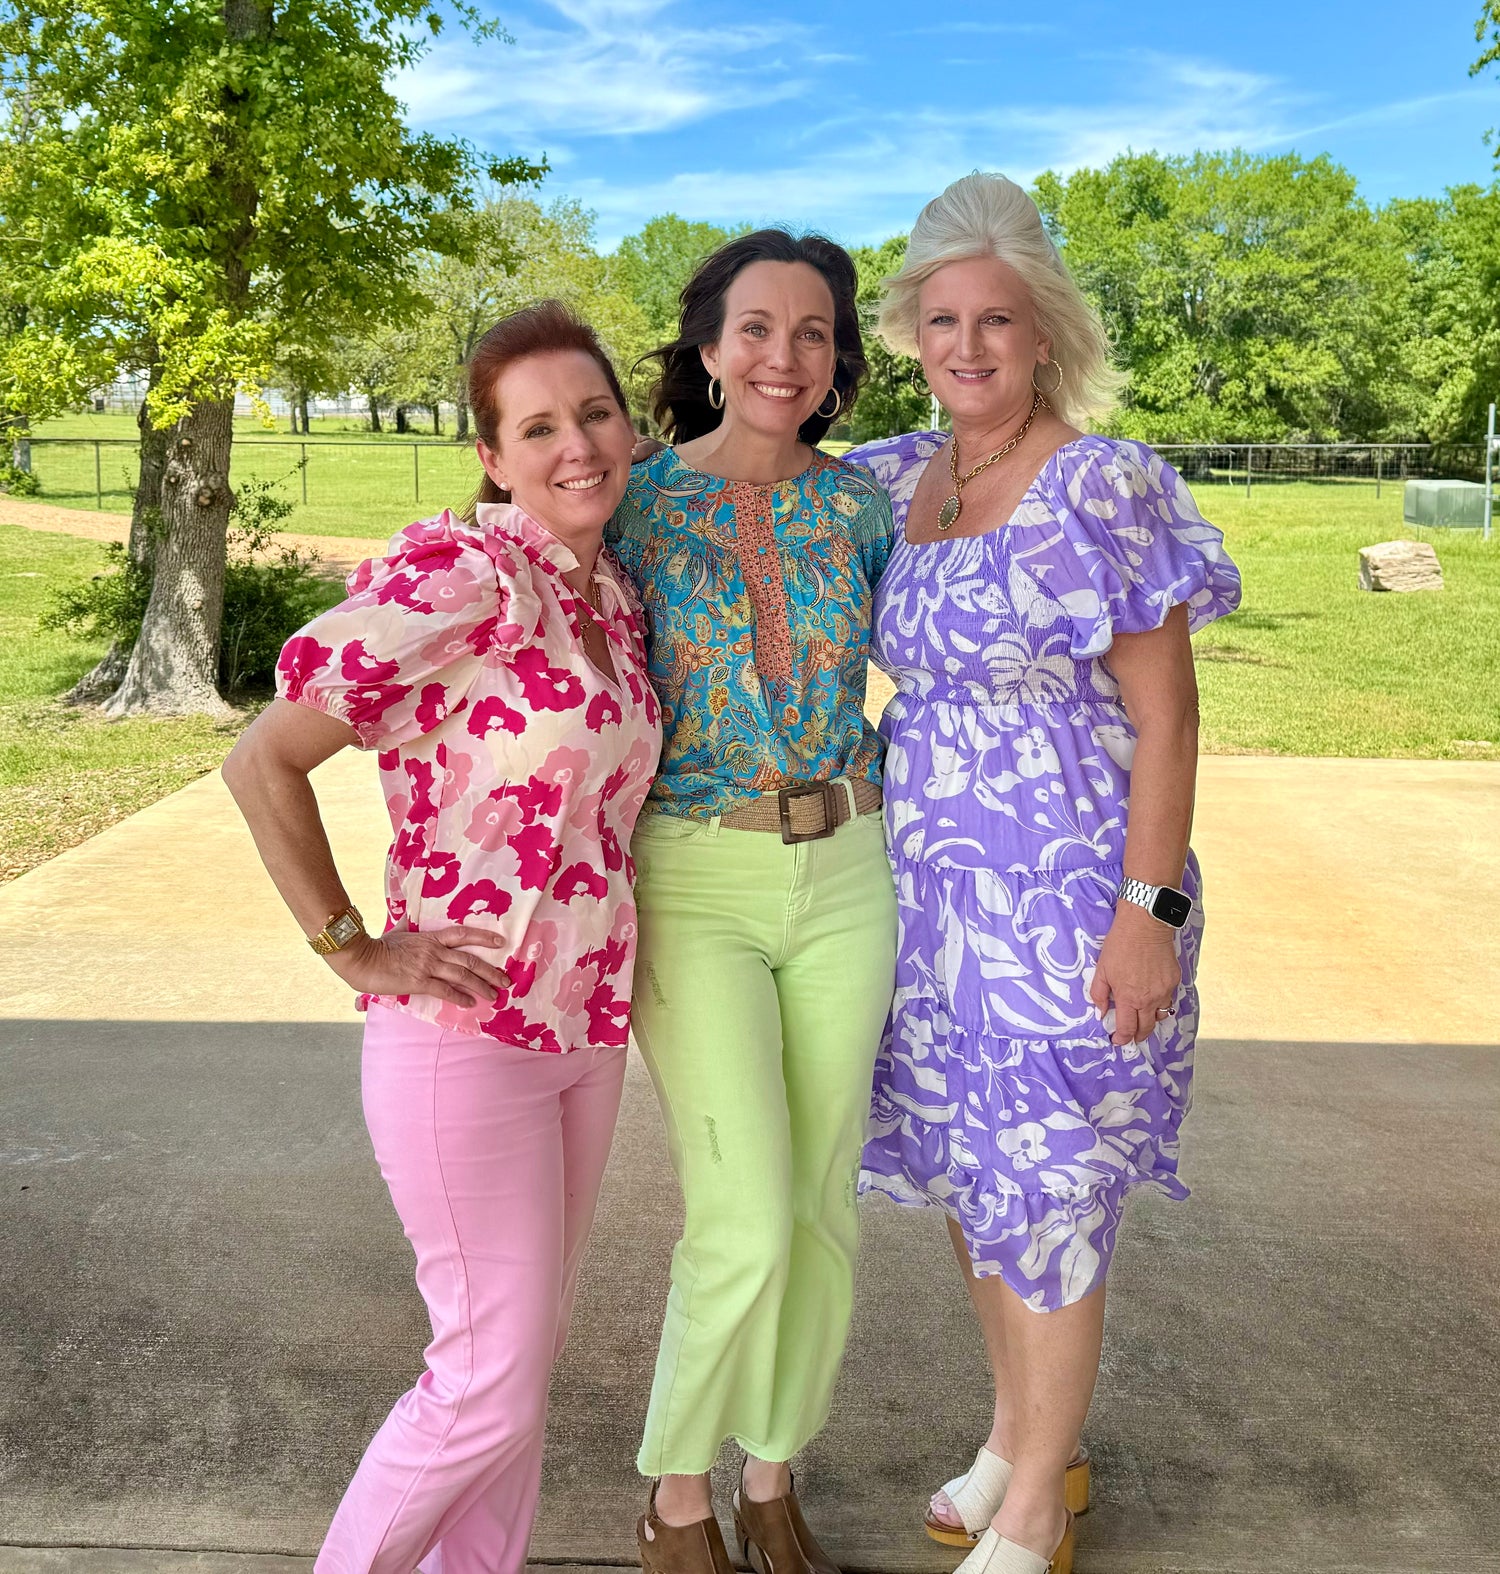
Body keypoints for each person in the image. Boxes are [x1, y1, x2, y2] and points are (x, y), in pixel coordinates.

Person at [222, 299, 661, 1574]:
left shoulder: (614, 598)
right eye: (539, 426)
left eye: (595, 412)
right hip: (461, 1035)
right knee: (483, 1379)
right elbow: (265, 760)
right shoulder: (462, 577)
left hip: (583, 1031)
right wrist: (352, 943)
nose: (576, 444)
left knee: (514, 1377)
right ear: (493, 454)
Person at [843, 174, 1242, 1574]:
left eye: (996, 318)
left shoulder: (1101, 484)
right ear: (912, 330)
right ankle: (1027, 1440)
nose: (967, 343)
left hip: (1069, 888)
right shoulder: (902, 478)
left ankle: (1030, 1518)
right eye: (942, 317)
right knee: (976, 1168)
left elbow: (1170, 716)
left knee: (1054, 1178)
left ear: (1044, 332)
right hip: (926, 892)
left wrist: (1152, 914)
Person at [605, 230, 897, 1574]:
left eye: (816, 332)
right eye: (759, 329)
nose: (787, 356)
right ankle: (676, 1495)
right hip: (697, 868)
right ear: (710, 348)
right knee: (739, 1209)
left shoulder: (866, 508)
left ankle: (774, 1476)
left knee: (821, 1197)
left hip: (850, 866)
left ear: (838, 360)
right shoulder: (635, 502)